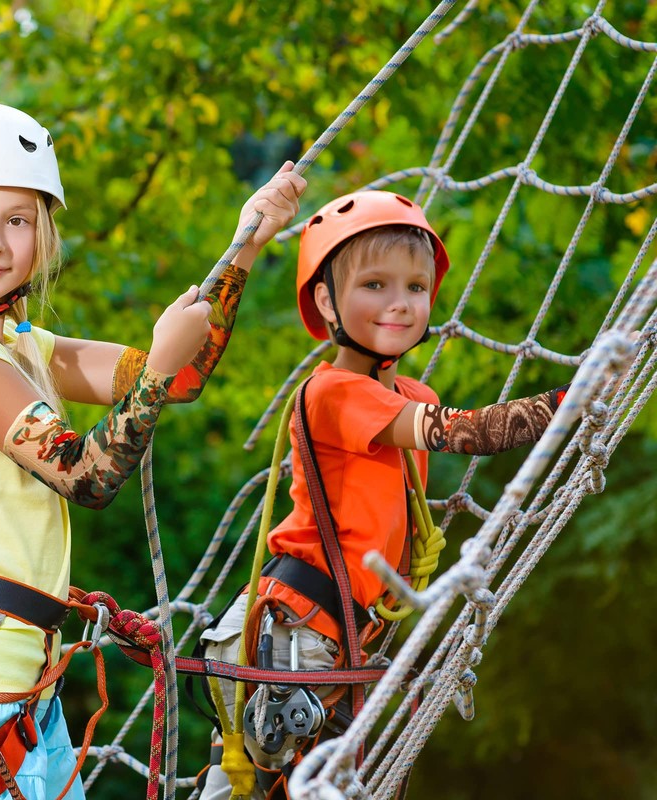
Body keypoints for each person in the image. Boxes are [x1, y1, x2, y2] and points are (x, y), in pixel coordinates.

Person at [0, 101, 306, 800]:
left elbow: (178, 378)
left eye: (18, 220)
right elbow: (85, 473)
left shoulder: (22, 346)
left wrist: (245, 245)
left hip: (21, 683)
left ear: (43, 232)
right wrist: (157, 368)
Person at [197, 190, 569, 800]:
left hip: (335, 632)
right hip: (292, 633)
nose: (399, 304)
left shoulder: (411, 395)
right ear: (326, 300)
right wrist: (570, 399)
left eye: (415, 288)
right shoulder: (333, 392)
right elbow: (465, 432)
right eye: (374, 285)